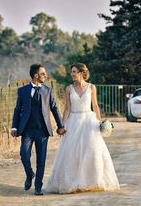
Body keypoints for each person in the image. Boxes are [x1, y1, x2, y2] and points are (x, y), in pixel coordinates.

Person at [44, 63, 120, 193]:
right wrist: (61, 125)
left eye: (74, 71)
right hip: (73, 121)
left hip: (89, 122)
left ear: (81, 73)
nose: (72, 74)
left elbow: (95, 106)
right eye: (71, 72)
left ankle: (92, 181)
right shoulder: (69, 89)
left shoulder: (91, 87)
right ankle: (72, 182)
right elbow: (67, 108)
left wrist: (100, 122)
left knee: (91, 151)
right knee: (71, 153)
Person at [11, 64, 66, 196]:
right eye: (43, 73)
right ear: (36, 75)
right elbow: (17, 110)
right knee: (24, 155)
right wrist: (14, 127)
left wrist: (60, 126)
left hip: (42, 130)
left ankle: (38, 187)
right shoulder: (22, 91)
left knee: (41, 160)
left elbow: (54, 108)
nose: (45, 75)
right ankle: (30, 174)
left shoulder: (48, 90)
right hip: (27, 130)